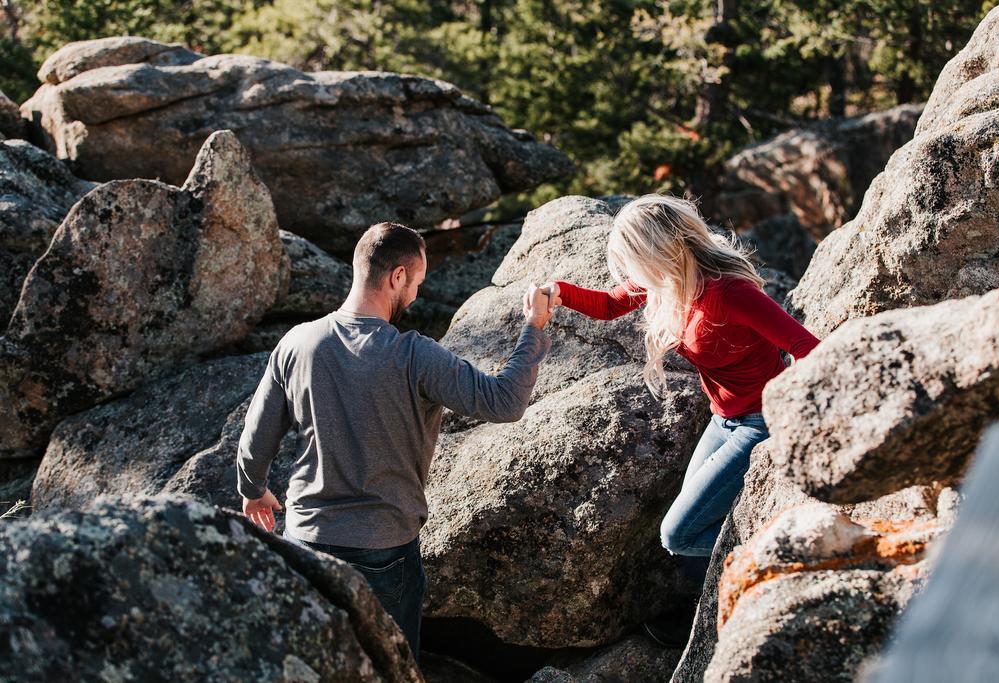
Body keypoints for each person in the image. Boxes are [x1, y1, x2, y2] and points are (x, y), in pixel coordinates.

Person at [236, 221, 553, 661]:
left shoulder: (296, 343)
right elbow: (503, 402)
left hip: (303, 544)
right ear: (397, 277)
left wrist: (253, 491)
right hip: (382, 555)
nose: (417, 295)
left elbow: (254, 443)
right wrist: (534, 326)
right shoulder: (414, 354)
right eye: (417, 282)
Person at [540, 194, 820, 645]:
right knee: (691, 522)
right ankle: (706, 607)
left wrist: (805, 414)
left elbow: (807, 347)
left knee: (679, 533)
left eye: (633, 262)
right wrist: (559, 293)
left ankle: (777, 564)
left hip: (762, 422)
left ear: (658, 251)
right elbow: (612, 305)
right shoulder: (667, 281)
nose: (631, 277)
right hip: (722, 419)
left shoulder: (729, 293)